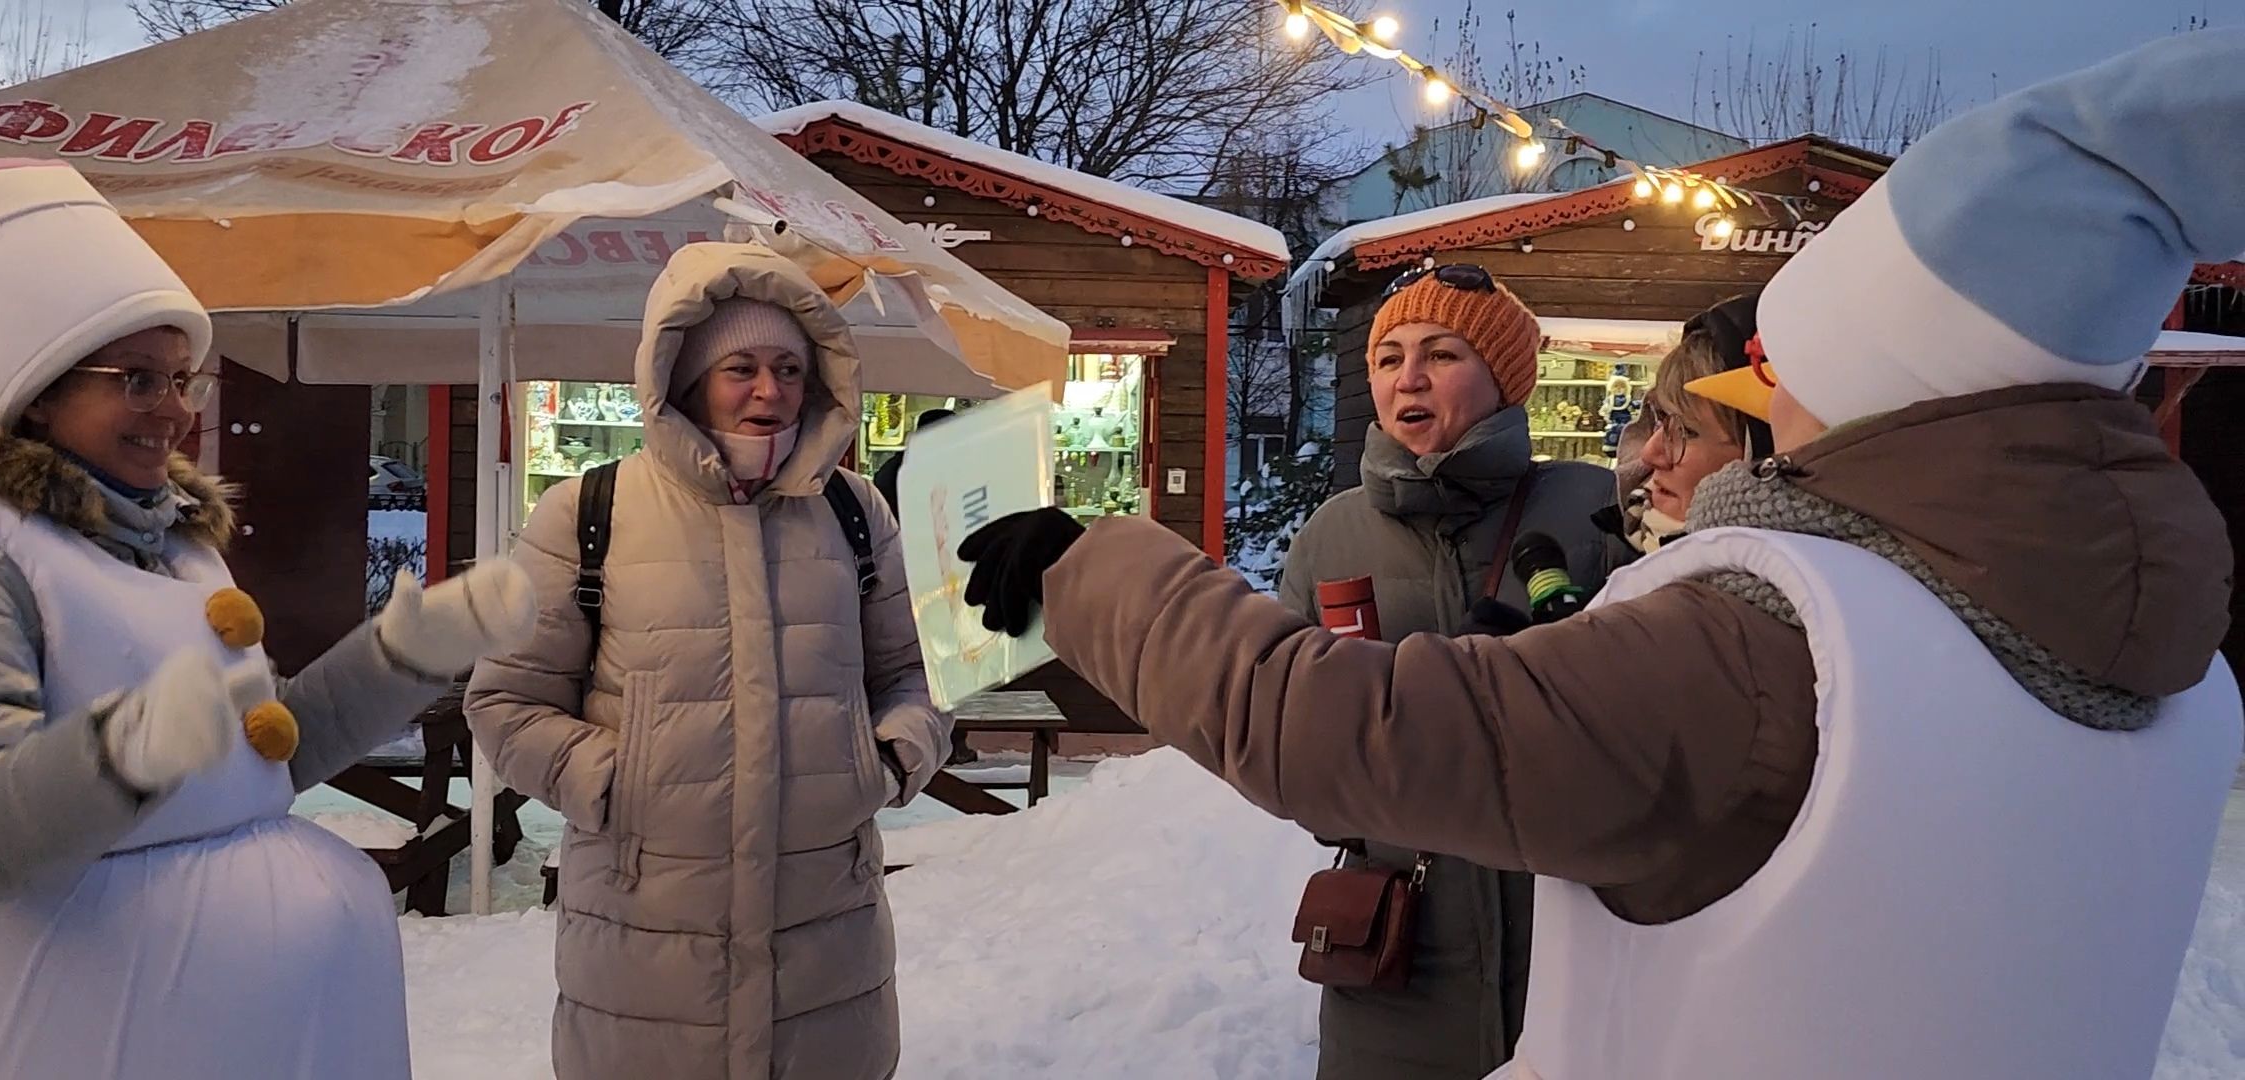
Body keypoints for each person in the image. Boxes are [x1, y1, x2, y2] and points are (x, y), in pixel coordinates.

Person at [956, 30, 2243, 1080]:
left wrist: (1090, 565)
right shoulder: (2172, 672)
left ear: (1872, 386)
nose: (1730, 425)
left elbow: (1348, 729)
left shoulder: (1763, 640)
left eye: (1769, 377)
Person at [0, 159, 536, 1079]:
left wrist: (404, 655)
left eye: (183, 378)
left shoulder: (174, 545)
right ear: (40, 389)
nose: (173, 410)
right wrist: (118, 752)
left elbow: (265, 755)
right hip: (79, 1034)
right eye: (136, 379)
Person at [465, 243, 951, 1080]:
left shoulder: (854, 509)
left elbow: (920, 673)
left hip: (824, 936)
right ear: (684, 376)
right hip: (644, 939)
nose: (770, 391)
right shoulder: (588, 511)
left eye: (790, 368)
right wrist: (618, 780)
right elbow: (505, 700)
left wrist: (887, 758)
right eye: (742, 367)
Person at [1272, 265, 1613, 1079]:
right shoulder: (1332, 536)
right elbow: (1279, 728)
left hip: (1573, 930)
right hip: (1398, 950)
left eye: (1441, 353)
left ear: (1504, 378)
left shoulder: (1597, 509)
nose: (1408, 377)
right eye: (1388, 358)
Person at [1603, 295, 1774, 554]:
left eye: (1689, 432)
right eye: (1660, 419)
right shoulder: (1624, 538)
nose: (1650, 454)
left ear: (1765, 458)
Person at [871, 406, 974, 763]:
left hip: (906, 584)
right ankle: (946, 740)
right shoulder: (934, 473)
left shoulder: (894, 470)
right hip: (925, 584)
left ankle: (939, 739)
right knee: (938, 665)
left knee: (923, 666)